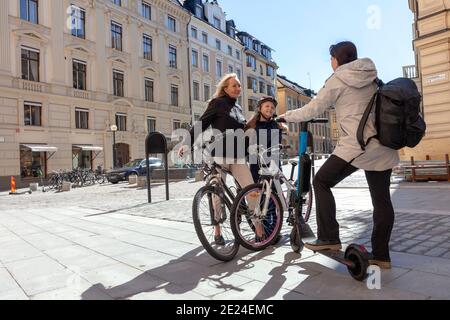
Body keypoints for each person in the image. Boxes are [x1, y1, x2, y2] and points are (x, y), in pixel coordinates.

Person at [278, 41, 399, 269]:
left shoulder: (339, 78)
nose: (331, 62)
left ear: (337, 59)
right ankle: (381, 255)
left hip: (357, 145)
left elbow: (313, 109)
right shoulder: (370, 75)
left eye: (331, 58)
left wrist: (286, 116)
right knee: (382, 201)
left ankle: (329, 238)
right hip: (382, 145)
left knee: (321, 181)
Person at [178, 73, 256, 246]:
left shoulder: (238, 109)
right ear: (225, 88)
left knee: (251, 190)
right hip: (219, 154)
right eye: (234, 85)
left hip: (238, 155)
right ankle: (217, 230)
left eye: (238, 85)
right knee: (216, 193)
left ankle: (259, 229)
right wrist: (186, 143)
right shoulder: (218, 103)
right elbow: (202, 123)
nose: (238, 88)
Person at [245, 96, 288, 244]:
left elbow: (278, 143)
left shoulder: (276, 125)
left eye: (272, 107)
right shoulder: (251, 126)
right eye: (266, 106)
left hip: (273, 164)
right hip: (256, 165)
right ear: (260, 108)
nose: (269, 109)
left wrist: (282, 128)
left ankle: (273, 232)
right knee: (258, 200)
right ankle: (261, 231)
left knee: (273, 200)